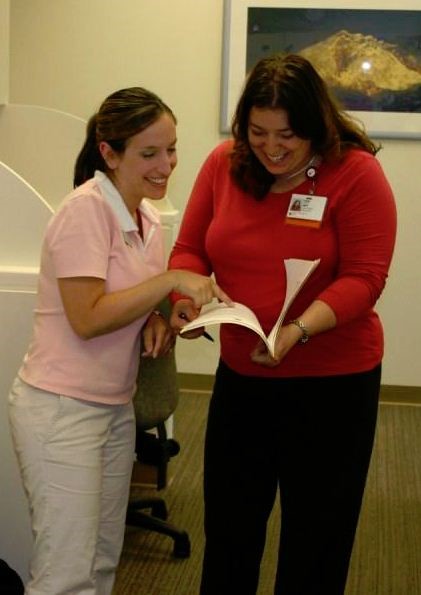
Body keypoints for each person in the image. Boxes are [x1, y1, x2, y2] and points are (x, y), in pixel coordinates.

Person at [168, 54, 397, 595]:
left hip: (332, 384)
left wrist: (298, 329)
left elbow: (366, 278)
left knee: (316, 540)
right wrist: (189, 299)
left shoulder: (355, 172)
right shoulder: (224, 163)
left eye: (288, 135)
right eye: (258, 132)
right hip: (243, 379)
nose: (271, 147)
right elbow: (189, 250)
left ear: (316, 126)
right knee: (229, 531)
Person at [7, 86, 230, 595]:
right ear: (108, 153)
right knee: (65, 574)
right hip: (61, 411)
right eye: (148, 153)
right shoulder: (84, 212)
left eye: (171, 149)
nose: (165, 164)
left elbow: (125, 294)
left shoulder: (146, 217)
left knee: (103, 562)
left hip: (112, 406)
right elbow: (86, 318)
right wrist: (169, 281)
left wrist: (157, 315)